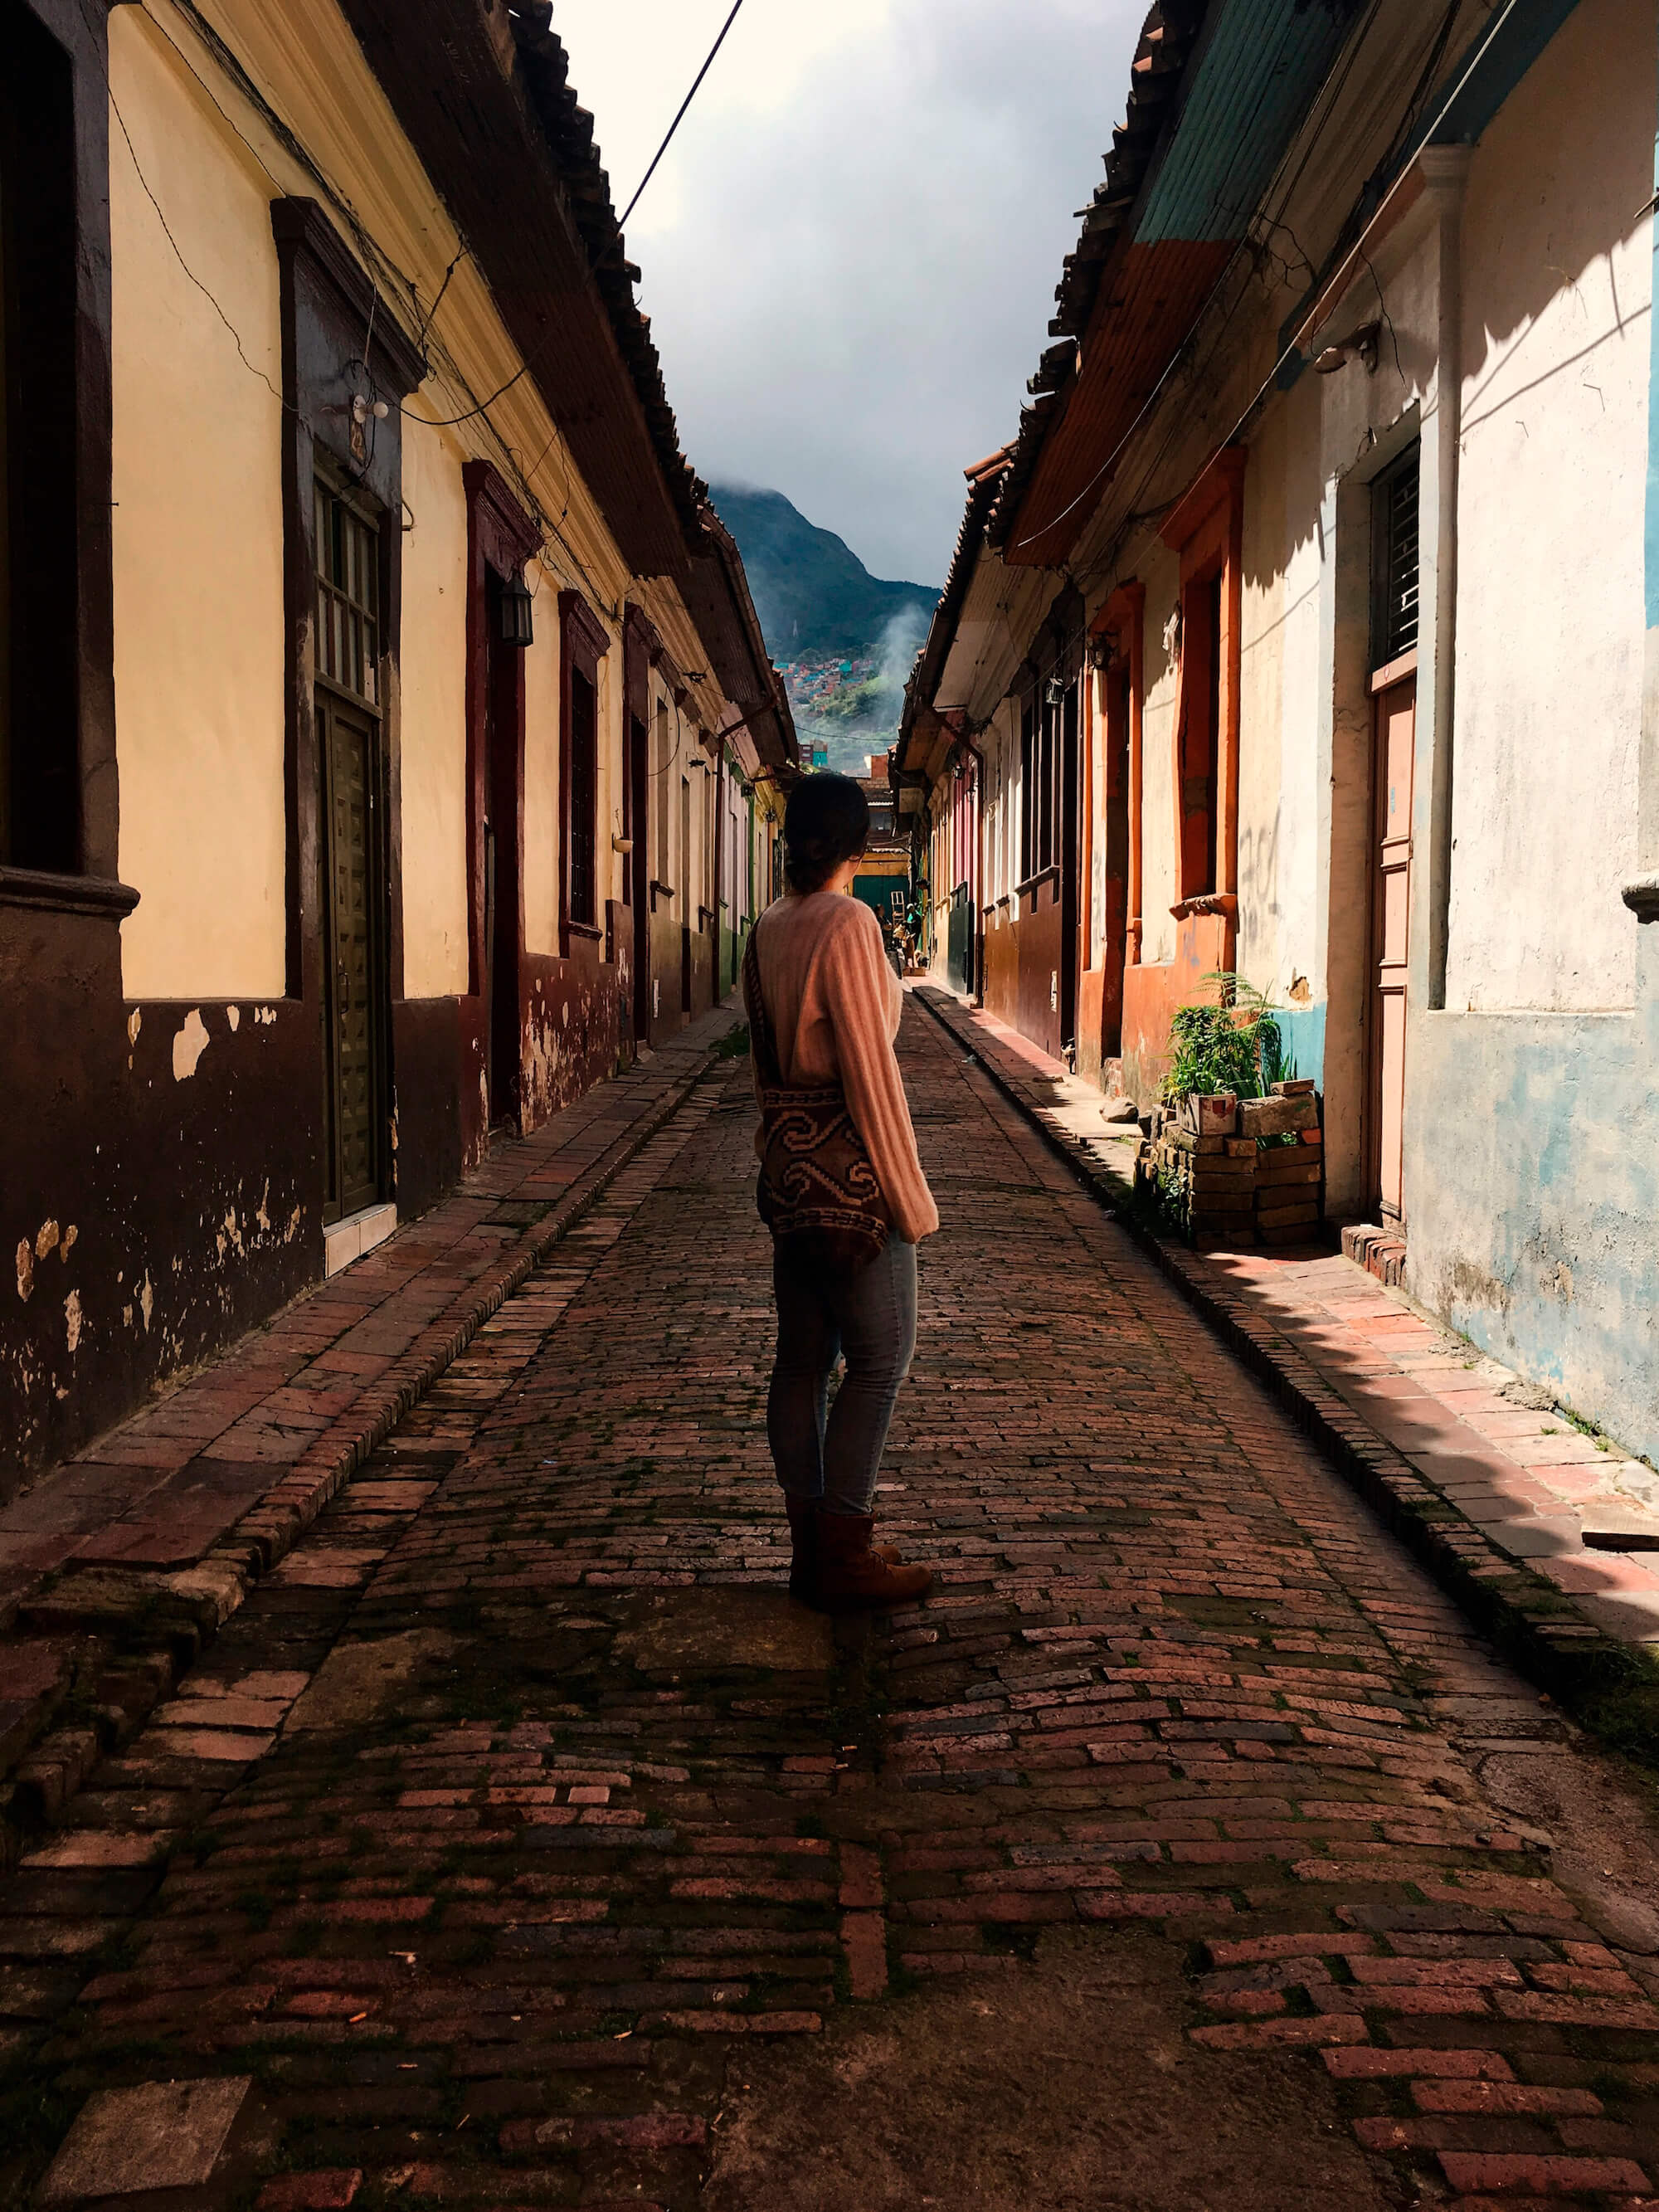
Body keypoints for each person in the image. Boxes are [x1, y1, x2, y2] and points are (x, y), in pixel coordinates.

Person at [744, 772, 938, 1611]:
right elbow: (871, 1071)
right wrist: (906, 1197)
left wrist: (774, 1161)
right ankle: (844, 1548)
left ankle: (811, 1547)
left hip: (791, 1168)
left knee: (799, 1362)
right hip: (853, 1171)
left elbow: (758, 1059)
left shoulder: (769, 925)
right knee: (878, 1359)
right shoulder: (850, 922)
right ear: (857, 848)